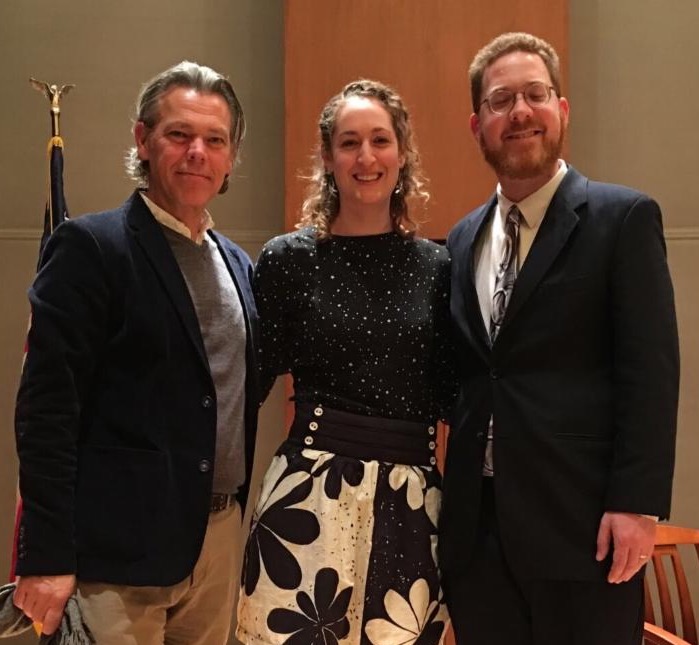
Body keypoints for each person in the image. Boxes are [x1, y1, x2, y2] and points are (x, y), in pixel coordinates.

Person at [441, 32, 680, 645]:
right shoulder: (461, 237)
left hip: (586, 529)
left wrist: (638, 505)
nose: (519, 112)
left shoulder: (622, 219)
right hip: (479, 534)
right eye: (500, 101)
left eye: (535, 94)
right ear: (478, 126)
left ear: (562, 110)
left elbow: (650, 373)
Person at [12, 61, 259, 645]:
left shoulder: (240, 265)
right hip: (116, 553)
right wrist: (45, 554)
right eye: (179, 135)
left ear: (230, 158)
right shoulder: (92, 248)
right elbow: (47, 410)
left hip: (216, 539)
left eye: (214, 139)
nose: (197, 151)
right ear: (143, 140)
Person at [236, 79, 453, 645]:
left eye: (380, 140)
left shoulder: (439, 267)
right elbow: (246, 387)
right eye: (349, 142)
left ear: (401, 156)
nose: (366, 157)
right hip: (308, 497)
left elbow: (458, 393)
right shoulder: (288, 261)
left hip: (411, 502)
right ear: (328, 159)